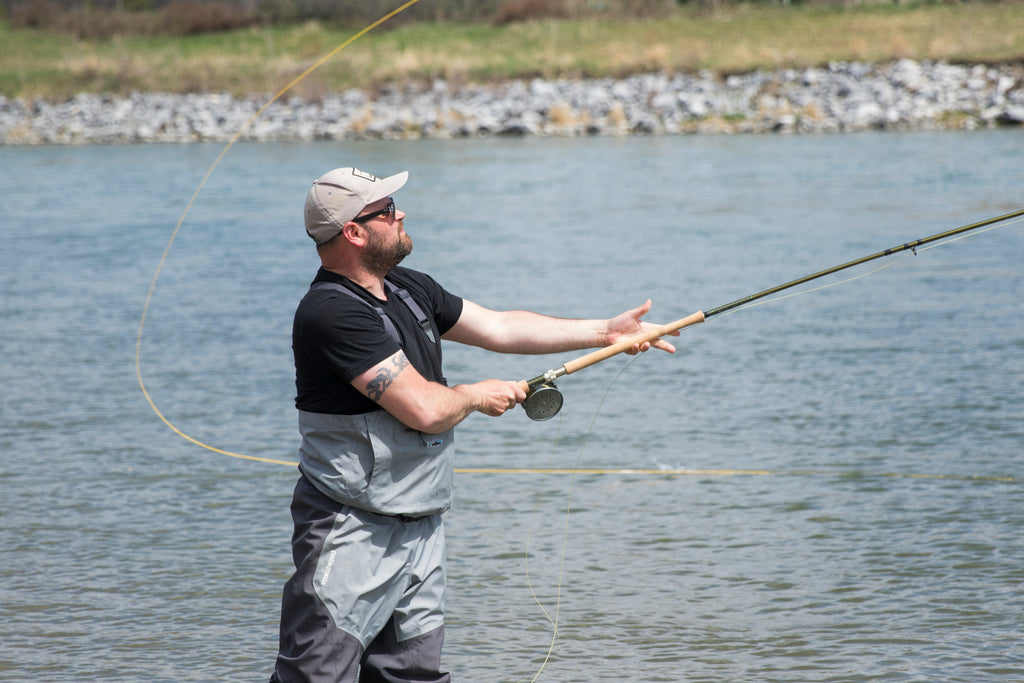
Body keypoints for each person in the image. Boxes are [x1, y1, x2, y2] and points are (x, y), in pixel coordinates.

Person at [271, 166, 676, 683]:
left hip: (422, 527)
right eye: (388, 211)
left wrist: (604, 332)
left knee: (412, 674)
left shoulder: (409, 289)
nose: (401, 216)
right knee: (315, 676)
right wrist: (473, 395)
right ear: (354, 231)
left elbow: (501, 326)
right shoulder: (329, 313)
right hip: (350, 533)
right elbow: (422, 408)